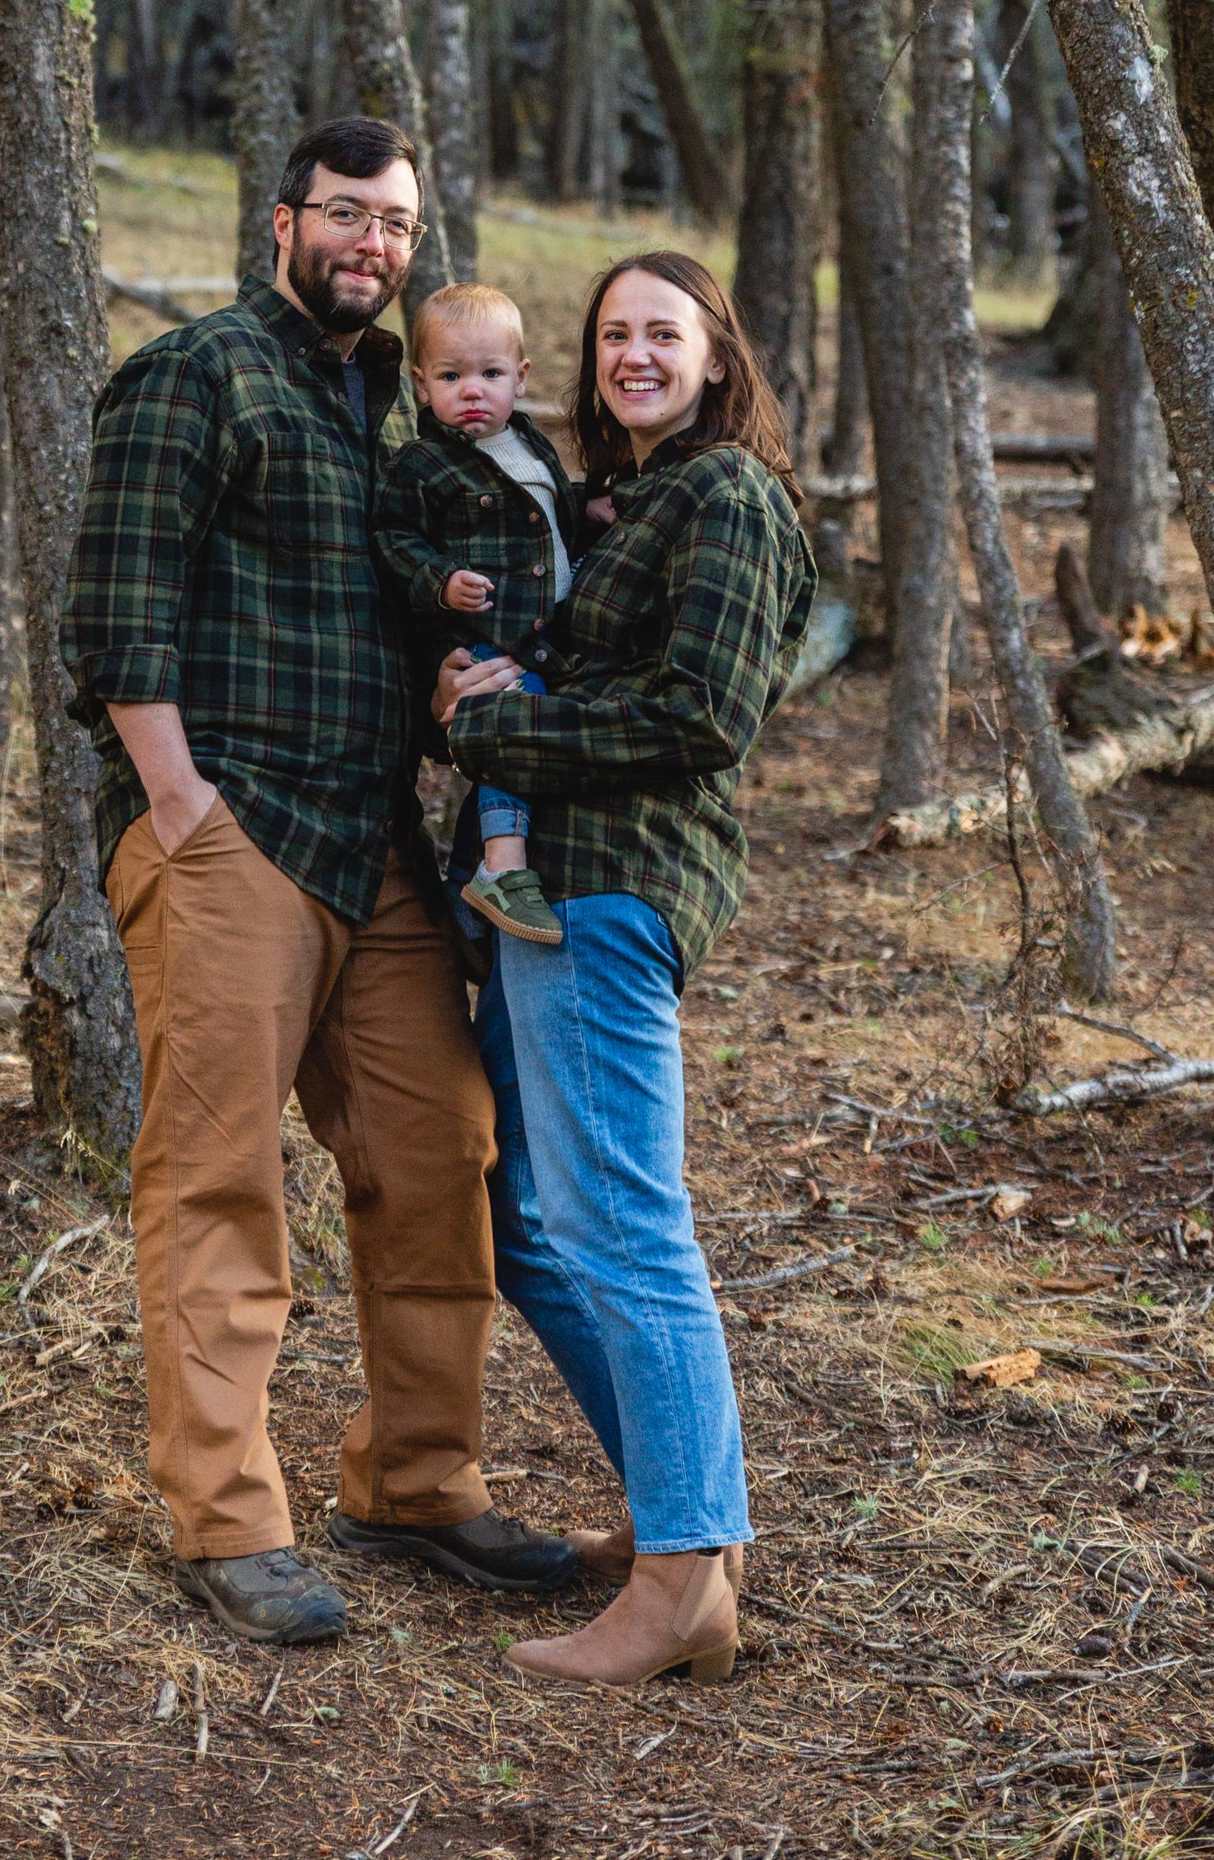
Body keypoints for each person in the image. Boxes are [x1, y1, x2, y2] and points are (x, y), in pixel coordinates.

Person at [61, 117, 580, 1648]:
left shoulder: (398, 416)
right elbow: (113, 607)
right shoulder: (196, 374)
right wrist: (180, 807)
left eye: (397, 223)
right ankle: (226, 1519)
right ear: (284, 220)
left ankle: (417, 1482)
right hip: (234, 835)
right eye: (347, 214)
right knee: (217, 1175)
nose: (372, 242)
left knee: (442, 1155)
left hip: (378, 845)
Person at [434, 252, 818, 1689]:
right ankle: (687, 1530)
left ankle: (684, 1582)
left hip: (605, 886)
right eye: (611, 335)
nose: (633, 355)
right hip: (552, 895)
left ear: (719, 357)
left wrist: (498, 738)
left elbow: (702, 719)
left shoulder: (728, 497)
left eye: (664, 333)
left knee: (624, 1227)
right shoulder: (629, 502)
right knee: (527, 1221)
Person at [374, 283, 586, 946]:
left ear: (520, 379)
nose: (473, 390)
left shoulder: (531, 446)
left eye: (490, 374)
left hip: (548, 639)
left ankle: (471, 897)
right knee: (511, 734)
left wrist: (592, 512)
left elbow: (551, 517)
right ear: (420, 384)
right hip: (489, 645)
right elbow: (391, 537)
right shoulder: (424, 465)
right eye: (451, 375)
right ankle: (501, 866)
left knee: (529, 750)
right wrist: (440, 582)